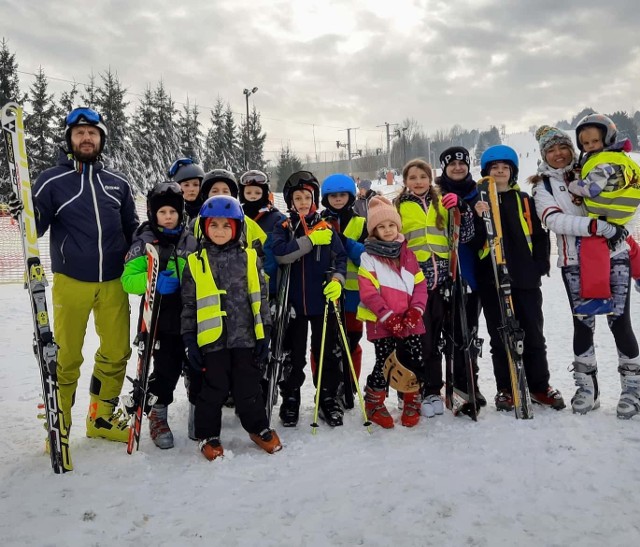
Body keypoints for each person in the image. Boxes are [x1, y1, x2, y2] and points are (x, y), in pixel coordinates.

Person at [31, 107, 139, 442]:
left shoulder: (118, 183)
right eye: (79, 133)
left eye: (92, 133)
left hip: (113, 283)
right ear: (70, 140)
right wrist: (24, 212)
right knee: (64, 355)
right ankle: (58, 421)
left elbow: (132, 228)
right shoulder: (51, 181)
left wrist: (144, 248)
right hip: (71, 281)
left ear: (101, 139)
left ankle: (101, 418)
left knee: (117, 350)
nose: (86, 138)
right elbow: (33, 229)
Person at [531, 125, 640, 417]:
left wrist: (620, 231)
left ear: (572, 147)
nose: (558, 154)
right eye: (551, 150)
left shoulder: (594, 167)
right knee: (583, 324)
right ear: (544, 155)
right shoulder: (544, 187)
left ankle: (632, 388)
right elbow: (555, 220)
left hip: (613, 256)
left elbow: (625, 204)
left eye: (562, 147)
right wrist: (596, 227)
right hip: (574, 262)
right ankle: (587, 387)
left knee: (620, 322)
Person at [180, 195, 281, 460]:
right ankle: (208, 435)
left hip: (245, 338)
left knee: (248, 387)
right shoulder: (195, 262)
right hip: (211, 340)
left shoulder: (249, 258)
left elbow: (260, 296)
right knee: (213, 389)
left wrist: (265, 333)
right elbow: (189, 305)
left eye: (227, 226)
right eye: (214, 225)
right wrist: (190, 339)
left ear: (237, 228)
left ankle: (258, 427)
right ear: (204, 227)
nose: (220, 231)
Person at [475, 144, 565, 411]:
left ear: (512, 172)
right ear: (486, 172)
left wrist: (539, 265)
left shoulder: (524, 199)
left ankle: (539, 385)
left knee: (533, 334)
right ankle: (506, 387)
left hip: (525, 279)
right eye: (495, 168)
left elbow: (539, 235)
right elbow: (472, 241)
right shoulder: (479, 202)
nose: (500, 172)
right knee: (499, 335)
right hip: (492, 279)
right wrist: (479, 217)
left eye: (505, 168)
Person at [394, 158, 475, 417]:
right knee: (422, 340)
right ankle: (418, 389)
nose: (418, 182)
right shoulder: (398, 207)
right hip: (415, 285)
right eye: (412, 178)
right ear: (405, 182)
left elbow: (467, 234)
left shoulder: (443, 202)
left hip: (445, 282)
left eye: (422, 177)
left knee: (446, 339)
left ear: (431, 179)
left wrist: (463, 208)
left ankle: (441, 388)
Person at [121, 181, 197, 449]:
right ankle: (158, 414)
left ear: (181, 213)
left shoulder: (191, 240)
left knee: (200, 366)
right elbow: (128, 280)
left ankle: (201, 413)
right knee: (166, 370)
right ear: (153, 214)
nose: (168, 217)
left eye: (172, 212)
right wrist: (152, 281)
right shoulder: (145, 242)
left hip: (192, 317)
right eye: (162, 212)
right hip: (161, 321)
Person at [271, 171, 347, 427]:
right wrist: (309, 241)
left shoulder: (326, 227)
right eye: (297, 198)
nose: (303, 202)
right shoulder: (283, 227)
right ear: (290, 201)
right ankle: (290, 398)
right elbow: (281, 255)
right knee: (294, 355)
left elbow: (340, 258)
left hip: (323, 302)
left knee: (326, 351)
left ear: (314, 199)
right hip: (293, 304)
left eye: (307, 197)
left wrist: (338, 280)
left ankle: (327, 397)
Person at [358, 196, 428, 428]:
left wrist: (416, 311)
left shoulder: (408, 255)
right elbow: (368, 293)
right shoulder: (368, 258)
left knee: (413, 360)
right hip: (383, 324)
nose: (387, 230)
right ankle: (375, 402)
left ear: (398, 226)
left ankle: (411, 399)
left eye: (391, 225)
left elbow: (420, 285)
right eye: (381, 226)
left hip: (411, 322)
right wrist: (389, 317)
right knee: (385, 363)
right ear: (374, 230)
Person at [566, 114, 640, 315]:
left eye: (595, 141)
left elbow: (592, 189)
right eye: (586, 143)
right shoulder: (619, 157)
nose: (590, 146)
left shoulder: (603, 163)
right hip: (622, 210)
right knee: (626, 241)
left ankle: (600, 298)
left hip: (607, 210)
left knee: (592, 246)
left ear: (608, 138)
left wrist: (573, 186)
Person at [436, 146, 487, 412]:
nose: (457, 167)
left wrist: (472, 212)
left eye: (462, 163)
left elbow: (480, 237)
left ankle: (469, 385)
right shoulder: (436, 196)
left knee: (467, 333)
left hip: (470, 274)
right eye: (451, 164)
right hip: (442, 276)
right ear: (444, 168)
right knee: (448, 333)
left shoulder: (478, 194)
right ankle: (448, 385)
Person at [320, 174, 368, 404]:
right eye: (333, 196)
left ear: (349, 196)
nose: (337, 199)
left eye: (342, 195)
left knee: (351, 341)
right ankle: (327, 387)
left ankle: (350, 383)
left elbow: (366, 256)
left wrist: (344, 242)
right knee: (326, 343)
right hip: (327, 292)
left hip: (353, 294)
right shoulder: (319, 221)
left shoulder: (360, 222)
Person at [238, 169, 286, 299]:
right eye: (248, 192)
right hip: (242, 284)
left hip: (270, 285)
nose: (253, 196)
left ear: (264, 194)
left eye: (257, 192)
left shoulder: (276, 218)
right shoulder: (237, 218)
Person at [168, 158, 205, 222]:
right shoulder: (171, 211)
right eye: (186, 185)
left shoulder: (208, 209)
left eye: (195, 185)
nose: (191, 189)